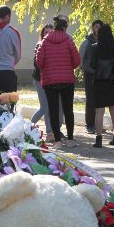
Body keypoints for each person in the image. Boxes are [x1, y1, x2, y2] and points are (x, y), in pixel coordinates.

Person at [35, 14, 81, 147]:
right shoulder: (68, 40)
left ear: (54, 27)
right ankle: (71, 139)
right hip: (67, 80)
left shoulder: (44, 41)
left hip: (50, 81)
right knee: (68, 109)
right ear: (65, 27)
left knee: (53, 110)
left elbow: (39, 62)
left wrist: (48, 68)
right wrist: (68, 67)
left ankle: (57, 141)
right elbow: (77, 60)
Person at [89, 23, 114, 148]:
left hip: (99, 82)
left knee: (99, 111)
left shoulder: (94, 48)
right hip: (112, 82)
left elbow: (91, 65)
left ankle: (99, 139)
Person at [30, 24, 65, 138]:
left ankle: (51, 131)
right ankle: (29, 125)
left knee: (53, 107)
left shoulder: (56, 46)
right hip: (40, 80)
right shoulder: (39, 45)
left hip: (52, 80)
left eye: (50, 32)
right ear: (42, 34)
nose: (48, 34)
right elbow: (37, 64)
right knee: (45, 107)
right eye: (45, 32)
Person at [79, 20, 103, 134]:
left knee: (100, 100)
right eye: (96, 27)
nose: (98, 29)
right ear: (93, 28)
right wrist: (86, 70)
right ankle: (90, 124)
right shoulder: (87, 42)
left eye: (100, 27)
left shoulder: (104, 42)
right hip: (89, 75)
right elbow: (80, 59)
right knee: (90, 100)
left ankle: (97, 124)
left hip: (101, 75)